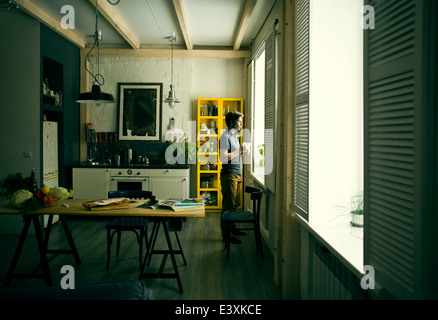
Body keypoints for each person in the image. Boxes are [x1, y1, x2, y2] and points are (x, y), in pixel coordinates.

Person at [219, 111, 249, 244]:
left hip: (237, 175)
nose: (242, 123)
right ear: (231, 122)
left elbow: (235, 154)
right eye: (239, 121)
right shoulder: (225, 136)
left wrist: (242, 151)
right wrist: (240, 151)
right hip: (229, 175)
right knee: (228, 207)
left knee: (234, 205)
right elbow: (224, 157)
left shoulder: (235, 135)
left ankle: (233, 229)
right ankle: (227, 236)